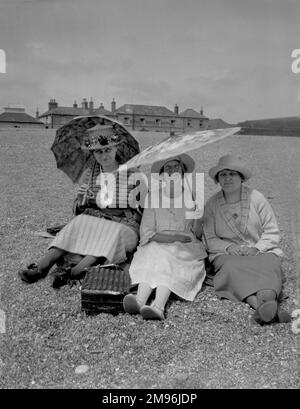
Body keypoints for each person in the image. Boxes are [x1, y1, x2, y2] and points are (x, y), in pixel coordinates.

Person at [19, 124, 144, 288]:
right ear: (93, 153)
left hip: (125, 225)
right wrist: (82, 199)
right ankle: (42, 267)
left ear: (116, 148)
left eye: (108, 150)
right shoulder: (91, 173)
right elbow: (79, 210)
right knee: (78, 223)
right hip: (99, 222)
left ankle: (73, 272)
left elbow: (141, 208)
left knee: (113, 234)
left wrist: (113, 200)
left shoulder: (132, 173)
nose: (104, 155)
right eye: (98, 151)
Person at [203, 154, 291, 324]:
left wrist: (257, 248)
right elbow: (209, 238)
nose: (227, 178)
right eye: (223, 174)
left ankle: (264, 305)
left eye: (232, 174)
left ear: (241, 177)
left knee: (269, 265)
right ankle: (266, 309)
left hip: (258, 250)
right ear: (217, 180)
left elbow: (272, 231)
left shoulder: (257, 198)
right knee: (232, 269)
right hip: (228, 254)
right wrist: (229, 248)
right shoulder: (211, 204)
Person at [123, 154, 207, 320]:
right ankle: (139, 301)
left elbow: (197, 234)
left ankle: (158, 306)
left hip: (186, 246)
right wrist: (172, 237)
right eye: (167, 168)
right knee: (156, 253)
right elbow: (147, 231)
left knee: (168, 257)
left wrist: (198, 217)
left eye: (176, 167)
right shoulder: (154, 197)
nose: (172, 171)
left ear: (182, 172)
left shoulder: (193, 196)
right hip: (158, 240)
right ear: (162, 174)